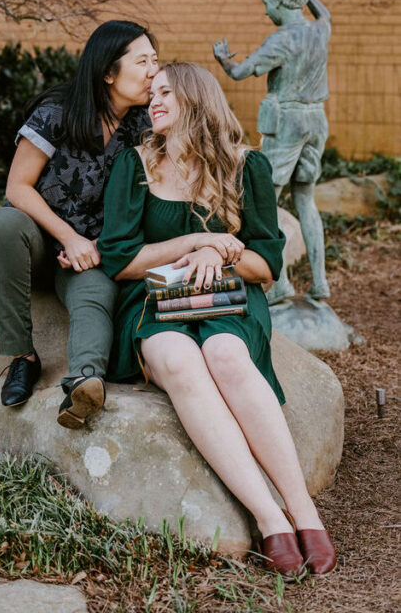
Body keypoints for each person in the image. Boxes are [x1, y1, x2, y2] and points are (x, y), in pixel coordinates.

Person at [98, 62, 336, 575]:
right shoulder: (135, 165)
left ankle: (305, 512)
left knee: (225, 354)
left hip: (229, 300)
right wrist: (197, 241)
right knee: (181, 360)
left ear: (195, 100)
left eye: (166, 93)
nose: (153, 102)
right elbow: (120, 261)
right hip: (153, 302)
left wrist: (223, 255)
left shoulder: (246, 166)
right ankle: (270, 519)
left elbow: (265, 266)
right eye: (151, 93)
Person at [0, 20, 158, 428]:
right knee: (3, 225)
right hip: (39, 242)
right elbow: (17, 187)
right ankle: (22, 357)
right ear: (108, 72)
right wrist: (68, 236)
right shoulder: (58, 112)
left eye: (156, 60)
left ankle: (84, 383)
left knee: (95, 296)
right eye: (143, 61)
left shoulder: (144, 125)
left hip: (91, 256)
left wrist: (94, 247)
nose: (154, 71)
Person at [213, 0, 331, 302]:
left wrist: (224, 60)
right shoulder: (320, 29)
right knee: (306, 198)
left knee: (267, 199)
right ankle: (320, 282)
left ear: (281, 1)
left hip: (287, 123)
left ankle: (278, 285)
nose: (266, 12)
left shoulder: (281, 40)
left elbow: (240, 72)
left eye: (268, 3)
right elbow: (323, 11)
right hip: (316, 120)